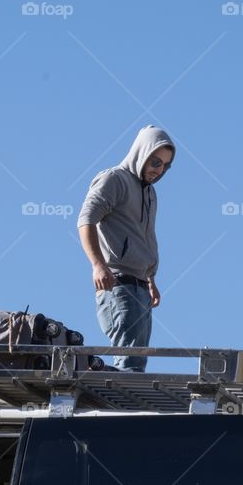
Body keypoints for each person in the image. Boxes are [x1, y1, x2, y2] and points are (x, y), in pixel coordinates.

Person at [76, 125, 175, 372]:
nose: (159, 170)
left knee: (136, 362)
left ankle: (119, 401)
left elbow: (146, 237)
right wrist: (98, 265)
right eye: (155, 162)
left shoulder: (150, 193)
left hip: (140, 286)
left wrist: (151, 278)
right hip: (118, 283)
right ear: (142, 153)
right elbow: (85, 219)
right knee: (130, 362)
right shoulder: (114, 179)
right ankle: (120, 407)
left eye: (165, 166)